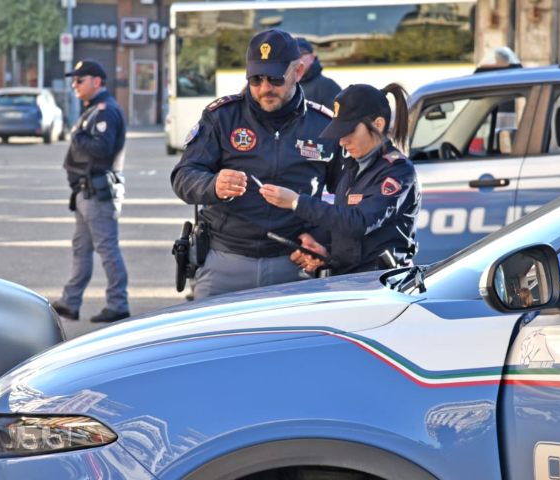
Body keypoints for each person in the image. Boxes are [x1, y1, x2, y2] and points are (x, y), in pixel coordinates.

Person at [171, 29, 339, 299]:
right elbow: (183, 176)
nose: (264, 89)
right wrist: (213, 184)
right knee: (212, 341)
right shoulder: (222, 117)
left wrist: (322, 239)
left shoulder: (323, 125)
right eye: (256, 79)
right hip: (225, 260)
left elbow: (346, 195)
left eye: (275, 79)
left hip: (294, 264)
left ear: (297, 72)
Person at [260, 83, 420, 275]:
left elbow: (359, 222)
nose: (342, 141)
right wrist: (322, 247)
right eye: (340, 133)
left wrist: (296, 202)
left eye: (350, 131)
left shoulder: (398, 171)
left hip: (381, 283)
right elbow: (343, 224)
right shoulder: (353, 166)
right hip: (353, 280)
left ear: (378, 124)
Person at [51, 59, 130, 323]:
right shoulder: (93, 109)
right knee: (81, 248)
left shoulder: (105, 111)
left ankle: (118, 303)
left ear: (96, 81)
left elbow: (102, 149)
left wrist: (77, 136)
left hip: (98, 192)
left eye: (80, 80)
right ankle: (70, 302)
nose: (74, 84)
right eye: (74, 80)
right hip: (86, 192)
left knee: (107, 249)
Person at [296, 37, 341, 110]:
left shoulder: (327, 86)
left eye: (300, 54)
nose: (297, 59)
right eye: (293, 56)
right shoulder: (284, 86)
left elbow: (338, 118)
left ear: (312, 57)